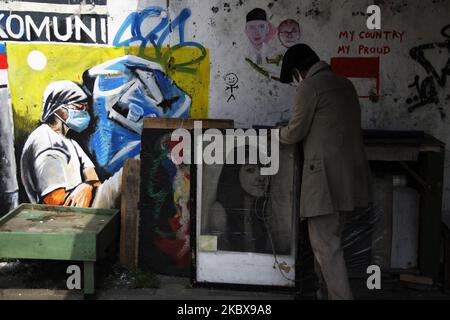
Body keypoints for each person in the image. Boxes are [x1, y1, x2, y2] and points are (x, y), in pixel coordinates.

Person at [278, 44, 372, 300]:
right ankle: (324, 294)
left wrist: (275, 134)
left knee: (326, 247)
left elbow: (295, 132)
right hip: (348, 178)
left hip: (324, 181)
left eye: (294, 79)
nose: (296, 84)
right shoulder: (345, 84)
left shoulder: (311, 87)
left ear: (298, 71)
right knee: (329, 241)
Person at [21, 80, 122, 209]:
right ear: (57, 109)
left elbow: (94, 180)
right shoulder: (46, 142)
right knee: (123, 182)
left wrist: (86, 187)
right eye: (79, 107)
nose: (84, 112)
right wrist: (86, 188)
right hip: (61, 218)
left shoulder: (69, 141)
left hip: (82, 207)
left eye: (86, 107)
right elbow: (54, 202)